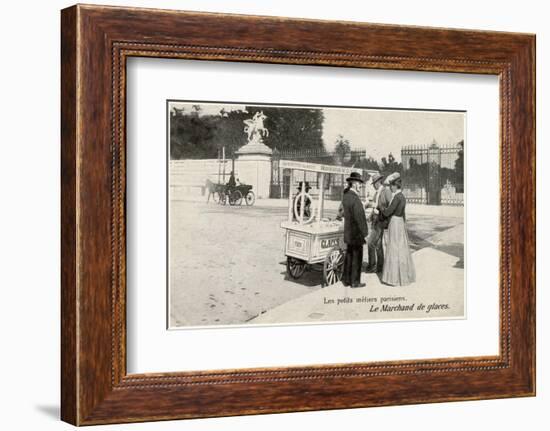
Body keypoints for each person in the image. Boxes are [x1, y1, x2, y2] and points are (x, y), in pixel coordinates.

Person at [376, 174, 416, 286]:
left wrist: (380, 208)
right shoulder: (402, 197)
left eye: (391, 186)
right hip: (400, 224)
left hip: (394, 223)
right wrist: (403, 224)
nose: (390, 188)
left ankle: (393, 278)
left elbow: (388, 212)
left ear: (395, 186)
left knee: (393, 248)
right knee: (401, 249)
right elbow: (403, 214)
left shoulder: (396, 197)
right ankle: (402, 276)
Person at [341, 172, 369, 288]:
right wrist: (365, 232)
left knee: (349, 255)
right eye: (358, 183)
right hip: (356, 233)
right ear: (353, 183)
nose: (359, 185)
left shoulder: (346, 196)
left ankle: (347, 279)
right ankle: (355, 282)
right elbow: (360, 218)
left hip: (348, 231)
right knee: (357, 257)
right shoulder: (355, 198)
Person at [365, 173, 393, 273]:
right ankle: (380, 267)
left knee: (370, 243)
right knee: (378, 245)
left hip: (381, 221)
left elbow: (390, 207)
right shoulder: (377, 193)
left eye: (374, 183)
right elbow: (375, 207)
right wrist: (370, 216)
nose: (373, 185)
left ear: (378, 182)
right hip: (375, 220)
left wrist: (381, 211)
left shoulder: (386, 191)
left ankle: (372, 266)